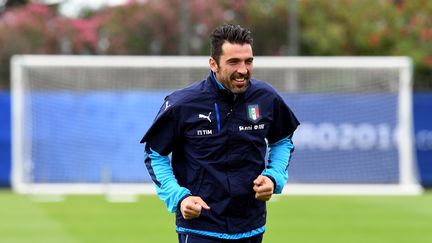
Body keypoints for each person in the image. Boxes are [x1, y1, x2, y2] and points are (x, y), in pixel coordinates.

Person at [140, 24, 300, 243]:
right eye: (233, 62)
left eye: (249, 61)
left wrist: (274, 177)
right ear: (213, 64)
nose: (243, 70)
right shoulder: (183, 104)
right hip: (200, 229)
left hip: (251, 227)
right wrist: (179, 198)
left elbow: (282, 140)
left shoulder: (266, 98)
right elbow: (155, 154)